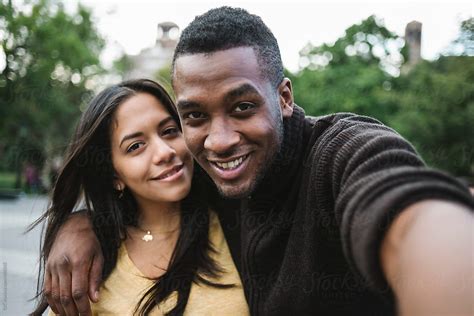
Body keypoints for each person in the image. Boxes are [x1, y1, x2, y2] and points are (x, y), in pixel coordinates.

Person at [43, 7, 474, 316]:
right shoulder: (211, 180)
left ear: (284, 97)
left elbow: (403, 208)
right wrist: (80, 224)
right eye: (194, 116)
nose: (221, 141)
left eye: (243, 107)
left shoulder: (338, 153)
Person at [30, 79, 249, 315]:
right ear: (114, 175)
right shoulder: (91, 261)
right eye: (135, 146)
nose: (165, 152)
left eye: (169, 131)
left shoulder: (239, 222)